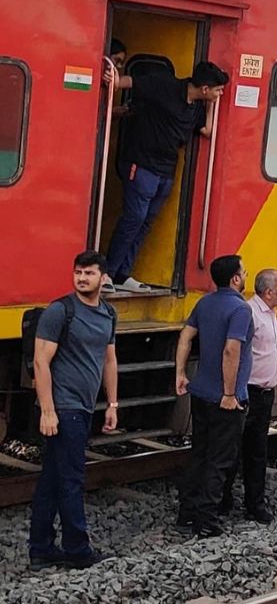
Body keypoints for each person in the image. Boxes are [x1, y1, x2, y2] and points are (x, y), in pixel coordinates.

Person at [102, 61, 226, 292]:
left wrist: (210, 106)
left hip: (166, 170)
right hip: (141, 162)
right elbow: (130, 82)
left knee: (146, 221)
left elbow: (207, 130)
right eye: (218, 90)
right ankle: (107, 272)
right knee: (134, 217)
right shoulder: (164, 86)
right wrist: (115, 80)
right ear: (205, 88)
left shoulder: (197, 106)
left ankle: (122, 273)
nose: (220, 94)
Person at [29, 250, 118, 570]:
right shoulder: (60, 310)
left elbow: (109, 359)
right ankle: (77, 550)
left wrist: (112, 404)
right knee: (71, 480)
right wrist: (48, 411)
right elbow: (41, 361)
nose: (82, 278)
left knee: (53, 479)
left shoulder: (108, 313)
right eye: (78, 273)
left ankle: (40, 549)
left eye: (89, 273)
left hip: (84, 406)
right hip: (65, 408)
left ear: (103, 277)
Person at [175, 255, 253, 538]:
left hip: (201, 392)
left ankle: (187, 512)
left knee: (200, 453)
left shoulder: (204, 302)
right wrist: (230, 393)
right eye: (244, 272)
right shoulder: (241, 310)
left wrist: (180, 373)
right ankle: (206, 520)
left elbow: (185, 337)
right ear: (235, 279)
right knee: (220, 459)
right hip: (224, 398)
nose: (245, 276)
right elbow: (232, 350)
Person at [221, 268, 277, 523]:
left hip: (264, 393)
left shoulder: (269, 312)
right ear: (268, 292)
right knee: (235, 449)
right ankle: (225, 501)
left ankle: (253, 503)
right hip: (249, 391)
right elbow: (235, 352)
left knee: (257, 450)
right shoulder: (250, 313)